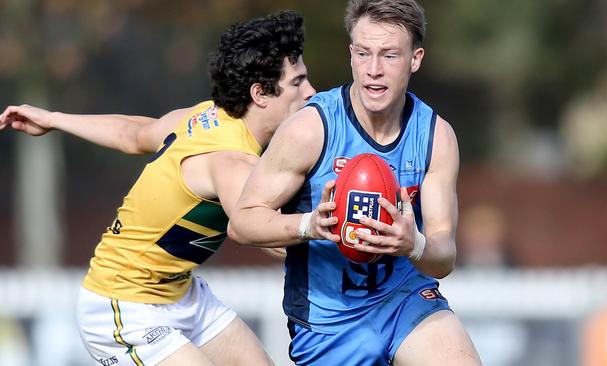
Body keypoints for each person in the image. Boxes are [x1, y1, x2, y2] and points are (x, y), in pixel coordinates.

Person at [1, 11, 315, 366]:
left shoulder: (204, 116)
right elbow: (263, 236)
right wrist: (334, 236)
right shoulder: (232, 162)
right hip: (123, 304)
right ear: (259, 94)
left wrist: (54, 119)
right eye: (298, 83)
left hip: (181, 294)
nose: (311, 92)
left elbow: (134, 133)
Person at [228, 1, 481, 365]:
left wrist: (414, 244)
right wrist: (308, 224)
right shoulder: (310, 130)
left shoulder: (435, 136)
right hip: (329, 321)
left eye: (390, 55)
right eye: (364, 53)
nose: (373, 70)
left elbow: (444, 258)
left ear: (415, 58)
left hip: (404, 300)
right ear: (351, 54)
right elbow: (243, 221)